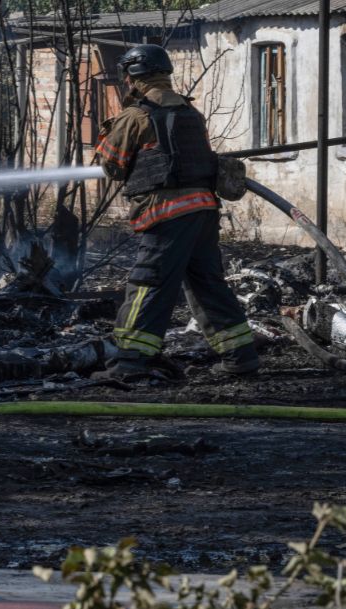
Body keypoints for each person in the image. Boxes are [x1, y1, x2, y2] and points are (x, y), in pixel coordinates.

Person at [95, 44, 259, 378]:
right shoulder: (189, 113)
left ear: (134, 76)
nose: (125, 81)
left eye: (126, 75)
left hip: (165, 213)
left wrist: (107, 133)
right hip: (202, 212)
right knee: (207, 283)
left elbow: (112, 165)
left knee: (149, 283)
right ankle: (240, 358)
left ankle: (129, 362)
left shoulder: (136, 115)